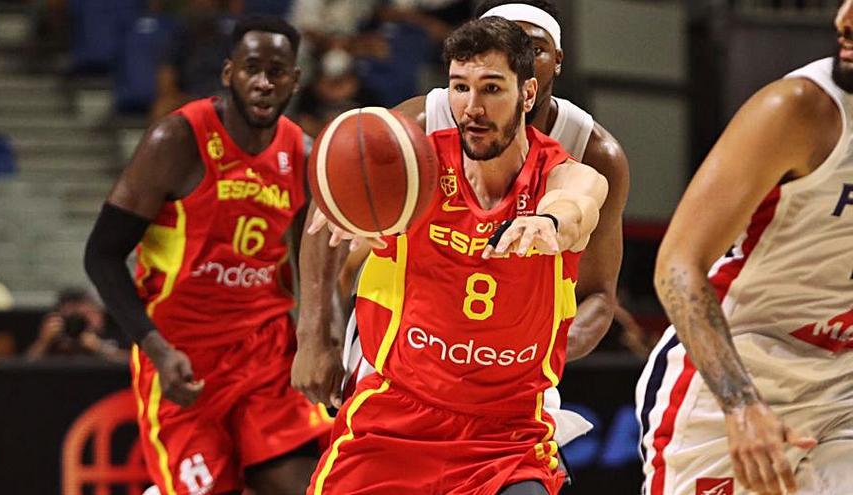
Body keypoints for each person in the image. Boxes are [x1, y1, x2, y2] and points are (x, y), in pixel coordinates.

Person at [293, 17, 608, 495]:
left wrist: (550, 222)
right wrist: (344, 216)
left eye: (491, 88)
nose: (472, 108)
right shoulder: (412, 171)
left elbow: (583, 198)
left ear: (526, 95)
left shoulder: (561, 173)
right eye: (460, 88)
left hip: (506, 435)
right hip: (394, 418)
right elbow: (332, 222)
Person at [85, 16, 331, 495]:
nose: (263, 82)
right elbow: (101, 255)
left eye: (276, 71)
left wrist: (321, 337)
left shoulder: (302, 151)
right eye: (251, 69)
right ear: (228, 73)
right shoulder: (176, 141)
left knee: (308, 486)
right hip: (182, 355)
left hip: (264, 355)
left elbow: (314, 263)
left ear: (294, 80)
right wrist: (154, 347)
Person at [636, 2, 853, 494]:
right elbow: (677, 265)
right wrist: (741, 404)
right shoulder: (801, 110)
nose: (844, 17)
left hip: (841, 389)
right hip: (735, 381)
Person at [25, 288, 128, 362]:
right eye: (73, 317)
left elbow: (133, 363)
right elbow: (26, 366)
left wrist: (100, 347)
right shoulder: (55, 340)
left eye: (87, 314)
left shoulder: (118, 332)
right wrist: (44, 341)